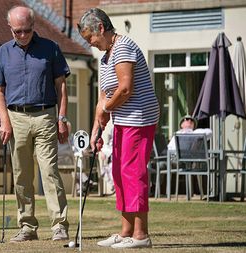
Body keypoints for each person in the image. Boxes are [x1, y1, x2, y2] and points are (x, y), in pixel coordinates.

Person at [78, 8, 159, 249]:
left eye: (90, 38)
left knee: (133, 173)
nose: (90, 44)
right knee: (120, 173)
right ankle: (126, 231)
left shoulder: (123, 46)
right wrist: (96, 129)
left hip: (139, 118)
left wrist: (106, 110)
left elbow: (125, 89)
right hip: (123, 120)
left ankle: (141, 235)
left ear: (101, 28)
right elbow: (103, 97)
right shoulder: (105, 57)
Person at [0, 5, 70, 242]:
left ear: (34, 26)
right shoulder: (2, 53)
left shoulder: (50, 48)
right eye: (18, 31)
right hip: (16, 118)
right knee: (22, 175)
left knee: (50, 172)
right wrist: (4, 121)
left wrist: (62, 118)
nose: (23, 35)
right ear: (10, 28)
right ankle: (27, 226)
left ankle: (59, 225)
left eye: (27, 30)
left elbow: (61, 86)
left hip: (45, 115)